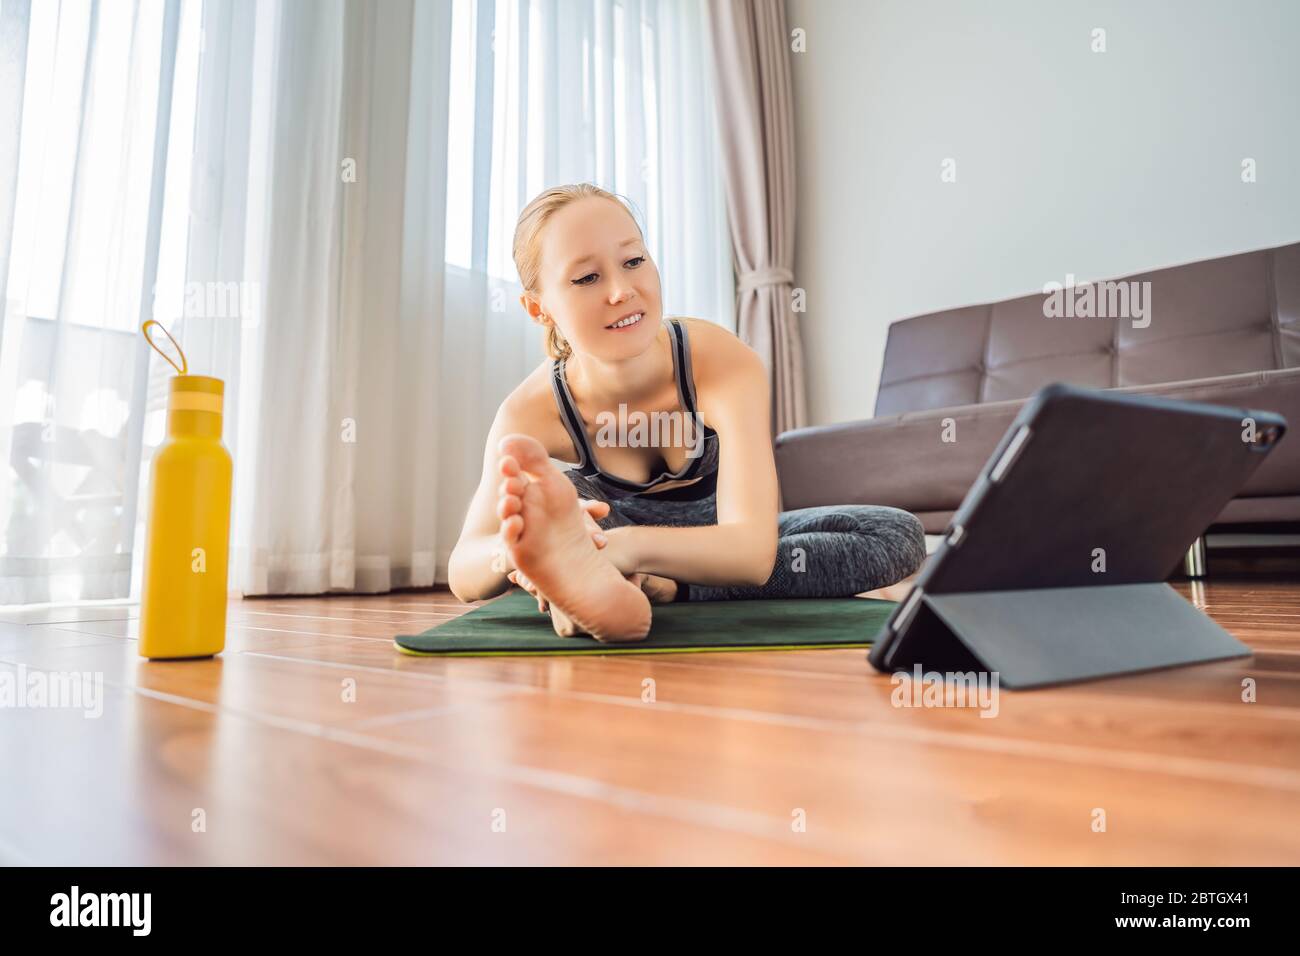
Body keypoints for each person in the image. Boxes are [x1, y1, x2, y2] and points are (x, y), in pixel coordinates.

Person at [446, 183, 925, 641]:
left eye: (633, 261)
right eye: (587, 277)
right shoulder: (530, 411)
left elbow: (754, 555)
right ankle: (585, 580)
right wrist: (518, 550)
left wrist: (621, 550)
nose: (622, 291)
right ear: (539, 309)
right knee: (563, 501)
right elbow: (464, 569)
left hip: (720, 542)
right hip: (605, 534)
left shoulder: (721, 362)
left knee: (894, 533)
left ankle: (654, 586)